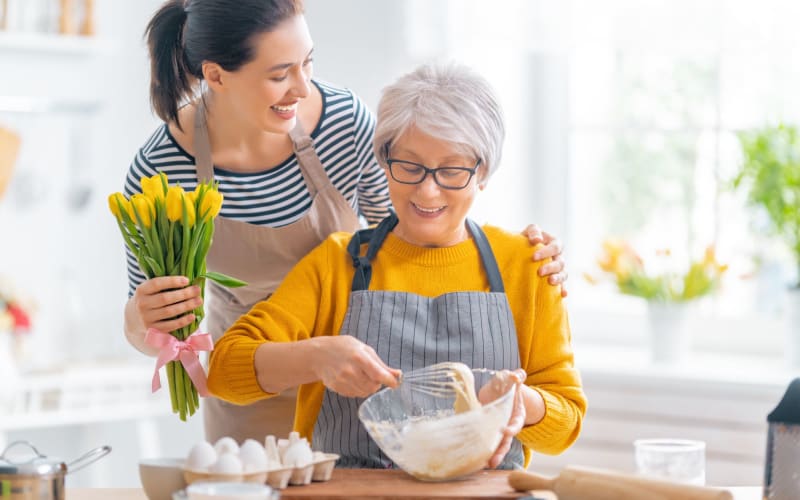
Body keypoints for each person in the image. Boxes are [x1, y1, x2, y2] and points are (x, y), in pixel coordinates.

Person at [121, 0, 569, 444]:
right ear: (216, 75)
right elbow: (153, 331)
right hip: (250, 383)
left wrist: (514, 256)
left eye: (308, 63)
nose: (302, 87)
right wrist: (148, 320)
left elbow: (414, 225)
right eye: (280, 74)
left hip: (355, 382)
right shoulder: (161, 172)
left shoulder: (341, 124)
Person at [207, 62, 586, 469]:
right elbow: (224, 369)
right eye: (409, 165)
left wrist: (520, 403)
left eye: (451, 170)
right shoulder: (339, 263)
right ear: (383, 160)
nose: (427, 190)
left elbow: (566, 423)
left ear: (484, 173)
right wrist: (315, 357)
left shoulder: (527, 266)